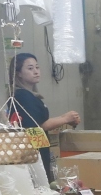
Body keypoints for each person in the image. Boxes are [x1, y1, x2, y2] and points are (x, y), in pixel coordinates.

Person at [7, 52, 80, 180]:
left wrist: (65, 117)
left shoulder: (30, 95)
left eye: (37, 67)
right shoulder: (22, 96)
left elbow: (40, 121)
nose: (36, 71)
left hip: (39, 148)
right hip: (32, 152)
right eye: (30, 68)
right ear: (18, 73)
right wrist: (65, 119)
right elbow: (37, 127)